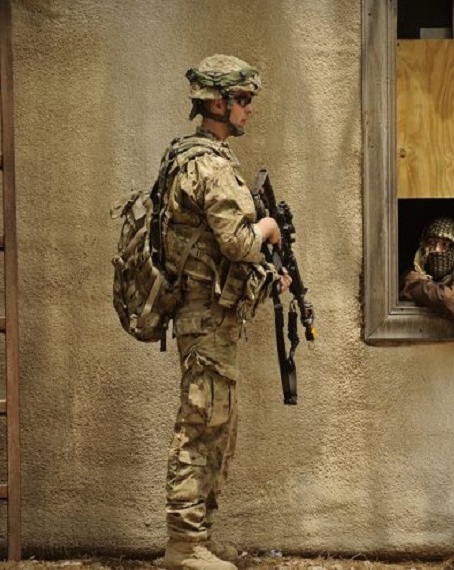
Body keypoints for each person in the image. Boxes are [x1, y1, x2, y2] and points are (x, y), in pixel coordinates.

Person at [157, 54, 291, 570]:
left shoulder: (201, 157)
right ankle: (183, 545)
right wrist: (268, 229)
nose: (250, 109)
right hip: (205, 319)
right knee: (200, 424)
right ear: (218, 103)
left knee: (218, 426)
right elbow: (237, 242)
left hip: (212, 317)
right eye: (244, 99)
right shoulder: (208, 165)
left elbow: (215, 247)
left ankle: (201, 537)